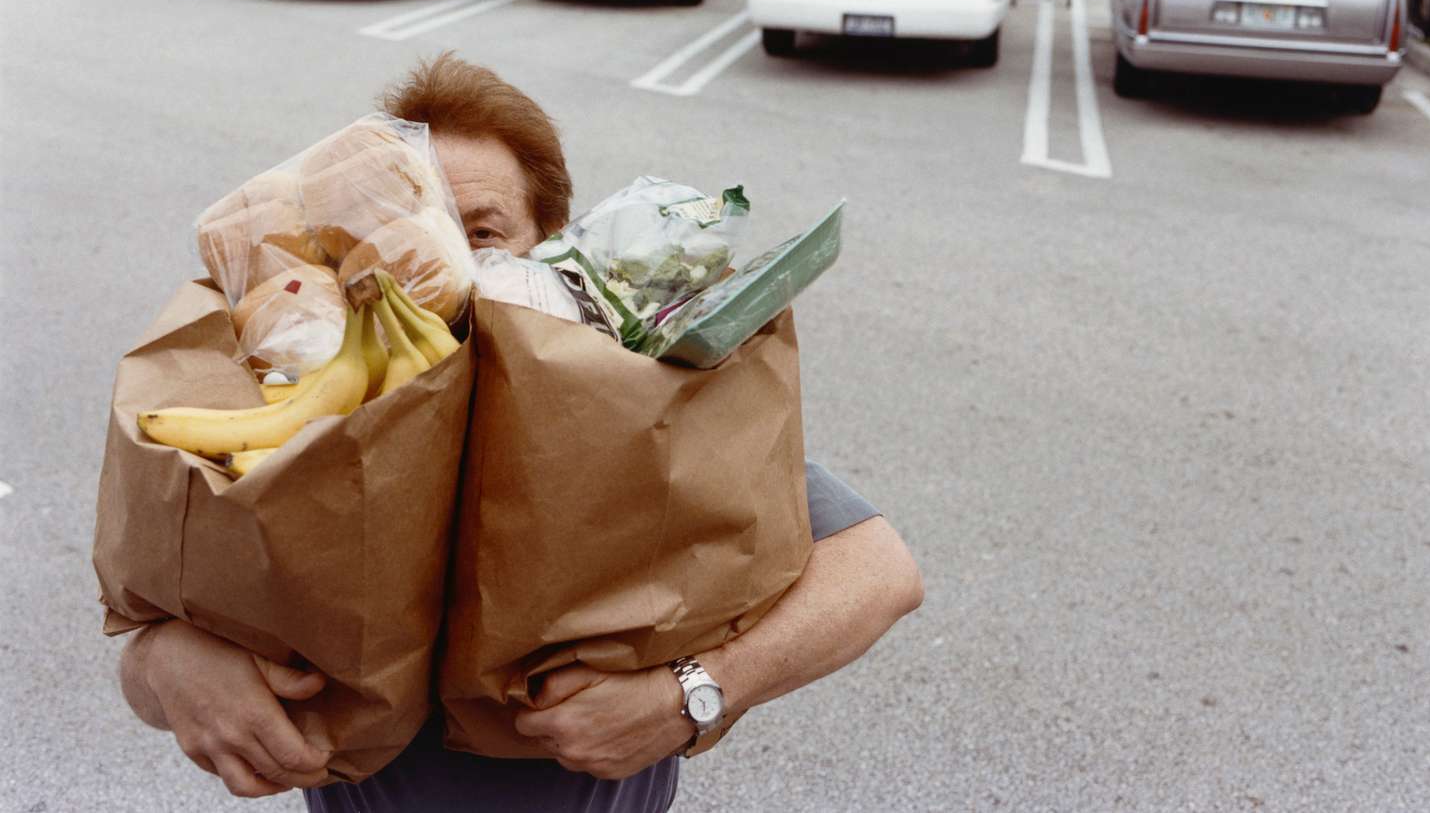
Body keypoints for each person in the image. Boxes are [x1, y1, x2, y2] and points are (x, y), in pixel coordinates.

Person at [118, 53, 924, 810]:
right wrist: (167, 662)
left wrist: (691, 691)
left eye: (480, 230)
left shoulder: (625, 393)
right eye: (407, 228)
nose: (444, 266)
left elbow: (879, 570)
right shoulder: (289, 400)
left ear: (552, 242)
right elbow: (154, 639)